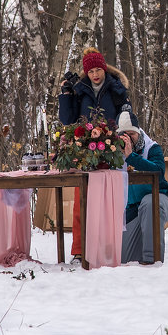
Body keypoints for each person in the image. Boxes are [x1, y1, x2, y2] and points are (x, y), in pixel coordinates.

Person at [58, 47, 135, 261]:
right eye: (91, 71)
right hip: (85, 151)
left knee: (110, 202)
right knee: (81, 201)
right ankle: (79, 250)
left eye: (98, 70)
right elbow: (67, 120)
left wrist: (129, 138)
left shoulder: (116, 88)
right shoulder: (79, 89)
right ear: (86, 73)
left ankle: (108, 248)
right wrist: (66, 95)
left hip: (111, 150)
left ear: (104, 68)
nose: (95, 75)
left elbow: (127, 116)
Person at [116, 112, 168, 265]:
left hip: (160, 198)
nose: (128, 137)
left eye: (132, 133)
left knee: (149, 204)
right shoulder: (113, 152)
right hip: (133, 208)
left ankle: (152, 260)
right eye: (124, 134)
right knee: (123, 259)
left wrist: (131, 157)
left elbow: (159, 171)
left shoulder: (152, 148)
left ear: (139, 131)